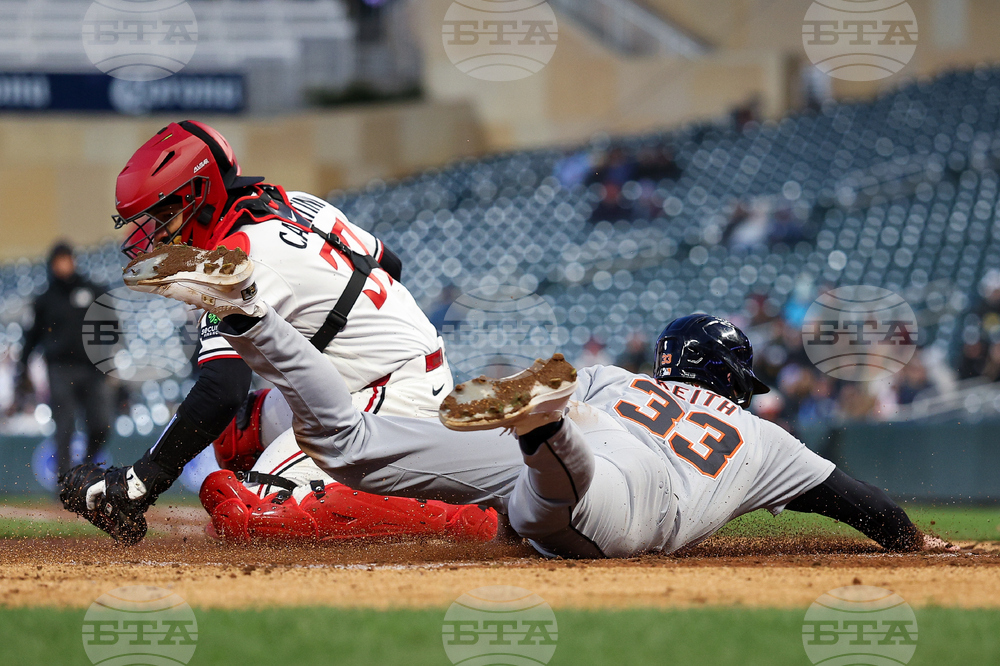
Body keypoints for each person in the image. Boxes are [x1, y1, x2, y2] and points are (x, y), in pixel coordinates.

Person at [111, 244, 954, 557]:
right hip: (618, 501)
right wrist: (914, 543)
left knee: (351, 444)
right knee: (572, 500)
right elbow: (860, 503)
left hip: (556, 430)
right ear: (732, 380)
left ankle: (248, 313)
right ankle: (538, 425)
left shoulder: (624, 378)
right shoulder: (767, 441)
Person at [59, 120, 494, 545]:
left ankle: (469, 516)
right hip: (382, 376)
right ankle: (363, 486)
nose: (153, 234)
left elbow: (221, 390)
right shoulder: (294, 202)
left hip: (389, 389)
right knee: (237, 434)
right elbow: (388, 263)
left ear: (200, 195)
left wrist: (138, 483)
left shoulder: (237, 255)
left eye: (162, 215)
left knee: (247, 513)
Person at [20, 242, 111, 479]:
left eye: (66, 259)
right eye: (58, 261)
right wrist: (22, 367)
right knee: (65, 426)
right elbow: (32, 335)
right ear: (52, 265)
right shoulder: (45, 300)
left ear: (74, 260)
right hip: (60, 369)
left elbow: (111, 325)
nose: (63, 265)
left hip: (92, 368)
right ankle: (64, 483)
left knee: (101, 423)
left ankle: (88, 467)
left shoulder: (93, 290)